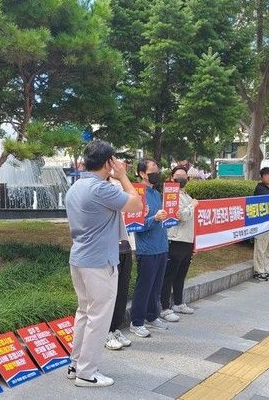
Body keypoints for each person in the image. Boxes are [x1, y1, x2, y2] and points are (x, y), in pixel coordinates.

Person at [65, 140, 143, 387]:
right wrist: (123, 176)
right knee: (98, 317)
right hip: (99, 262)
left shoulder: (77, 186)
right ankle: (87, 373)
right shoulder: (102, 189)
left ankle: (76, 363)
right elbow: (137, 204)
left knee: (84, 313)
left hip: (79, 258)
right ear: (109, 162)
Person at [130, 158, 170, 338]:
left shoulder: (157, 193)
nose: (156, 172)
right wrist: (154, 218)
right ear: (142, 174)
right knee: (144, 286)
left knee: (156, 285)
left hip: (161, 245)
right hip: (146, 249)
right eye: (152, 169)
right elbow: (136, 224)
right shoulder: (138, 194)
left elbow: (164, 219)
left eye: (157, 168)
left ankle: (152, 316)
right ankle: (136, 322)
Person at [160, 166, 199, 321]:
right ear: (172, 177)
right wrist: (193, 206)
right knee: (169, 275)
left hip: (187, 240)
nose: (181, 179)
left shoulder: (187, 195)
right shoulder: (171, 195)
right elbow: (180, 215)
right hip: (175, 239)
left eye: (184, 176)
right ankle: (164, 307)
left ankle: (178, 302)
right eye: (178, 176)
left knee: (181, 275)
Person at [105, 178, 136, 351]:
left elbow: (135, 207)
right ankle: (106, 331)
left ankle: (115, 327)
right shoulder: (99, 188)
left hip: (125, 246)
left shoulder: (119, 184)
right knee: (109, 294)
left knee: (122, 292)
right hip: (109, 249)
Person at [252, 167, 269, 281]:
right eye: (267, 175)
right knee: (261, 249)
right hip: (262, 225)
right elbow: (266, 199)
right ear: (262, 177)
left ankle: (266, 269)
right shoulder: (260, 188)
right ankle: (259, 271)